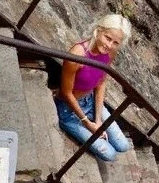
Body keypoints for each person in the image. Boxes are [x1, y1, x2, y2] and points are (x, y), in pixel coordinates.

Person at [55, 14, 133, 162]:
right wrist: (87, 123)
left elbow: (101, 82)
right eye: (107, 38)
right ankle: (78, 128)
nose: (109, 45)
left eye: (115, 42)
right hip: (69, 110)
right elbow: (66, 93)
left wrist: (97, 120)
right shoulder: (77, 54)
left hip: (89, 101)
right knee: (110, 155)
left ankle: (94, 128)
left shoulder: (110, 52)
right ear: (98, 31)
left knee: (123, 146)